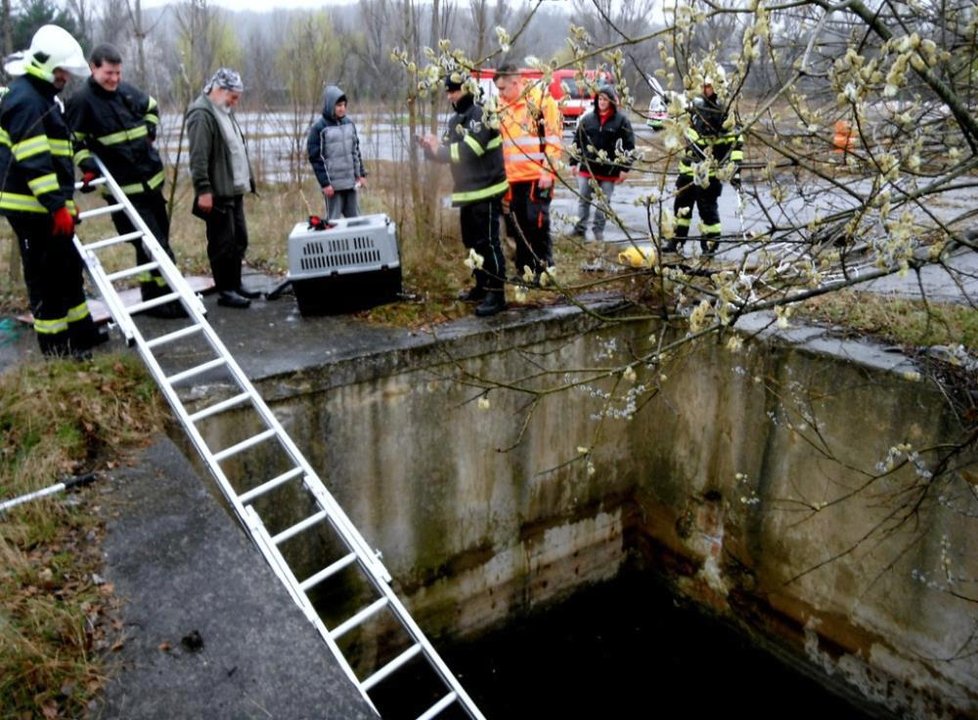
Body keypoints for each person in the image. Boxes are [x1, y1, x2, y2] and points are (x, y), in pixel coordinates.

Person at [0, 25, 106, 359]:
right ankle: (57, 348)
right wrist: (56, 205)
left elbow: (60, 151)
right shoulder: (25, 100)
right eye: (60, 70)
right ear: (46, 65)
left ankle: (81, 332)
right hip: (31, 208)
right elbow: (34, 161)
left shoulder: (43, 98)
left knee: (67, 267)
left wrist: (65, 201)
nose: (65, 77)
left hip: (46, 204)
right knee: (45, 278)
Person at [65, 42, 186, 319]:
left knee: (156, 242)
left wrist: (150, 129)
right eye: (109, 73)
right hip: (123, 193)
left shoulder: (126, 92)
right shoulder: (81, 102)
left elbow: (152, 107)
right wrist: (87, 164)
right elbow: (74, 141)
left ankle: (156, 299)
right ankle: (172, 298)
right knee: (153, 244)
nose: (115, 79)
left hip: (152, 184)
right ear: (93, 68)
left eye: (118, 73)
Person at [419, 71, 510, 317]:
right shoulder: (455, 120)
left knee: (488, 243)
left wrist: (443, 149)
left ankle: (497, 293)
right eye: (448, 92)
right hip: (467, 192)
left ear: (467, 89)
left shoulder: (482, 114)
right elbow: (446, 152)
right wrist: (430, 149)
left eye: (455, 91)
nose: (451, 96)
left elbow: (472, 149)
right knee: (471, 242)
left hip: (487, 189)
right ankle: (481, 286)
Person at [186, 67, 258, 309]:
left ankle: (236, 284)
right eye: (233, 96)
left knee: (239, 239)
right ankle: (225, 290)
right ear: (218, 90)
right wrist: (203, 189)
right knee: (222, 243)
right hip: (216, 192)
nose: (235, 102)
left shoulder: (224, 110)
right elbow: (198, 158)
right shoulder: (201, 114)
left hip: (235, 189)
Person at [493, 63, 562, 284]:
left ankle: (544, 270)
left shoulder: (542, 102)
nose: (500, 94)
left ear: (516, 82)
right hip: (512, 179)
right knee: (517, 226)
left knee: (537, 225)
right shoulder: (502, 107)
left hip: (536, 177)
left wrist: (547, 171)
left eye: (503, 89)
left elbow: (553, 139)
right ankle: (525, 270)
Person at [665, 65, 743, 259]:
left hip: (710, 171)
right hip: (688, 168)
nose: (704, 89)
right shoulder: (696, 106)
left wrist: (735, 171)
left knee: (707, 210)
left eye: (708, 86)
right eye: (704, 85)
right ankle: (676, 241)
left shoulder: (725, 110)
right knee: (681, 206)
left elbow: (736, 143)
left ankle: (710, 246)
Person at [569, 82, 635, 242]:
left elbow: (629, 145)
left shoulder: (622, 121)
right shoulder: (587, 119)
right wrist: (573, 161)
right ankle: (579, 229)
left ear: (611, 101)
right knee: (584, 200)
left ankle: (598, 231)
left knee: (603, 204)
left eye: (605, 99)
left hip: (609, 172)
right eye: (600, 99)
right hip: (587, 169)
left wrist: (625, 168)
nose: (602, 102)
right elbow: (577, 140)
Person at [307, 84, 367, 220]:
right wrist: (325, 183)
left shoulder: (349, 124)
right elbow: (316, 158)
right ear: (330, 105)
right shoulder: (319, 128)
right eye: (338, 105)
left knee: (356, 221)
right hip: (333, 187)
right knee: (333, 223)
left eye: (344, 105)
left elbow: (355, 151)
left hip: (351, 184)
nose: (342, 108)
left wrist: (361, 174)